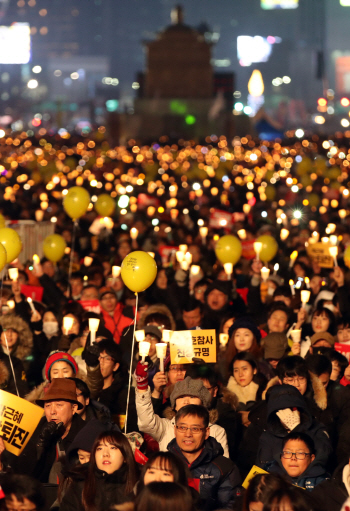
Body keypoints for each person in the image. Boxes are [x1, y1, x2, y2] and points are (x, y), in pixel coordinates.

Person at [3, 378, 85, 483]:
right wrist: (41, 444)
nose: (52, 411)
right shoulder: (35, 430)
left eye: (59, 405)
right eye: (48, 406)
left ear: (73, 408)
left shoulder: (86, 433)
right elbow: (24, 476)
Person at [135, 369, 229, 456]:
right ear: (174, 404)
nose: (186, 401)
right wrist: (142, 387)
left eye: (192, 397)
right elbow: (146, 422)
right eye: (181, 397)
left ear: (203, 403)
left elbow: (223, 467)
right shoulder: (166, 427)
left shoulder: (216, 431)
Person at [167, 404, 241, 511]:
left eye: (195, 429)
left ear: (206, 433)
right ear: (175, 430)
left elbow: (231, 506)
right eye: (182, 427)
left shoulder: (224, 467)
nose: (188, 434)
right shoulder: (164, 463)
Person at [60, 430, 137, 511]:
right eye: (99, 448)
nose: (105, 454)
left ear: (125, 456)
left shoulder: (139, 485)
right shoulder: (80, 484)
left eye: (113, 448)